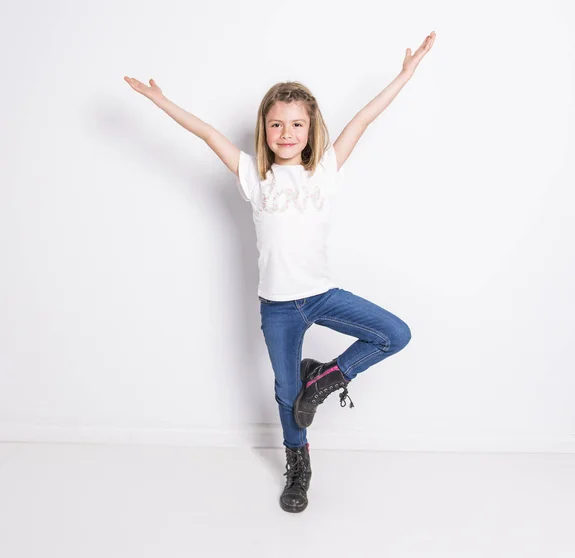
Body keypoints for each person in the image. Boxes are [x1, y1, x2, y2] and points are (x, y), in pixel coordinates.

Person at [124, 30, 436, 514]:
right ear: (264, 131)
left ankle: (329, 375)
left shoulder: (325, 170)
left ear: (311, 131)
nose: (286, 133)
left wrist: (405, 74)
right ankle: (299, 462)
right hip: (278, 306)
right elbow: (207, 133)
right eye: (276, 125)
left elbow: (365, 119)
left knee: (395, 333)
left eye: (296, 125)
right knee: (288, 393)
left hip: (321, 295)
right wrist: (162, 101)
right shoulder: (256, 175)